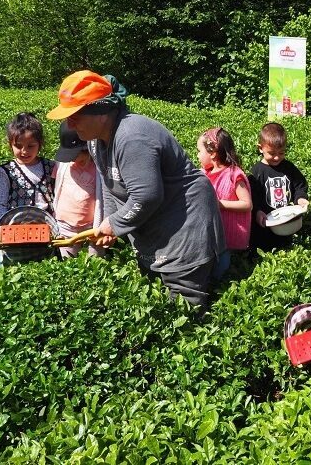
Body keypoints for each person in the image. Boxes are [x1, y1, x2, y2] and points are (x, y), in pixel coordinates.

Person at [46, 70, 225, 308]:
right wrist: (110, 224)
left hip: (184, 225)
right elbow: (111, 185)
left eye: (75, 116)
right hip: (157, 226)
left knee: (183, 306)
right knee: (156, 299)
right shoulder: (94, 140)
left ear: (100, 112)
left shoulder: (132, 137)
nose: (70, 123)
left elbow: (146, 196)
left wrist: (115, 224)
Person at [196, 127, 252, 276]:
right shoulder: (205, 174)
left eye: (199, 151)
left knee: (222, 270)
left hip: (227, 234)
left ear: (213, 153)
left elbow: (247, 204)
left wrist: (219, 203)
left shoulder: (234, 174)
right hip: (211, 233)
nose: (197, 156)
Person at [249, 122, 309, 251]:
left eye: (281, 153)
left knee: (288, 245)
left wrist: (300, 198)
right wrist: (258, 211)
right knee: (265, 245)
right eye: (271, 153)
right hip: (266, 221)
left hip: (286, 218)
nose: (277, 157)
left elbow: (300, 185)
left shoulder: (289, 167)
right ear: (260, 148)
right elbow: (253, 196)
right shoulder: (257, 171)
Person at [52, 121, 106, 259]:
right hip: (66, 225)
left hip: (91, 227)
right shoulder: (62, 165)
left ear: (87, 149)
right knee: (67, 261)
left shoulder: (99, 168)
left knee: (95, 261)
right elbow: (55, 185)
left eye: (75, 155)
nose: (72, 160)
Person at [0, 112, 56, 220]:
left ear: (40, 144)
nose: (24, 151)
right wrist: (5, 226)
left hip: (47, 224)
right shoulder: (7, 171)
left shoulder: (50, 166)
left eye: (30, 146)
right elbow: (1, 204)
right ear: (10, 145)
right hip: (17, 225)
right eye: (18, 146)